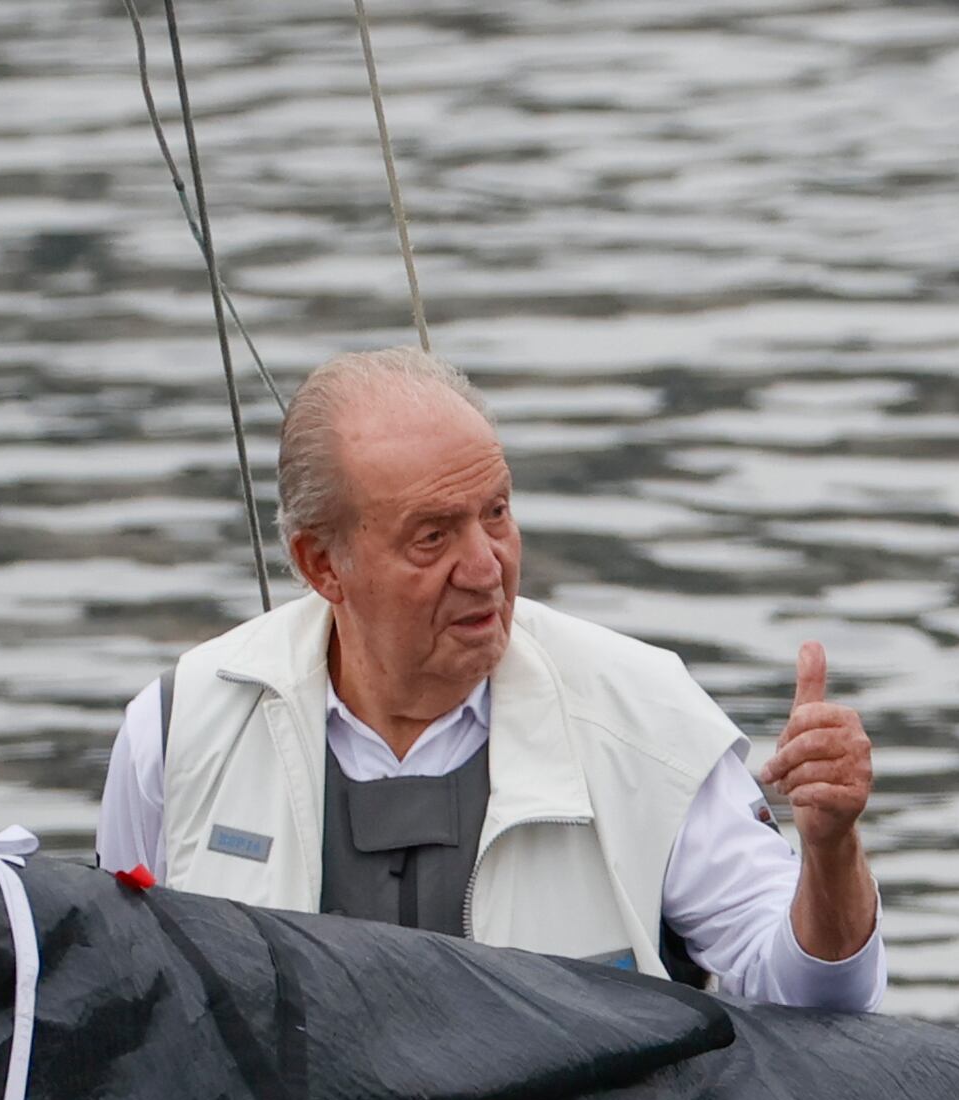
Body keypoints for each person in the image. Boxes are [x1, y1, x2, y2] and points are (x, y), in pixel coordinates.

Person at [99, 347, 884, 1010]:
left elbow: (819, 1002)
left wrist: (831, 852)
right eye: (432, 536)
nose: (485, 568)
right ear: (320, 565)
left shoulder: (649, 722)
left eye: (497, 513)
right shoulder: (177, 732)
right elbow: (127, 1007)